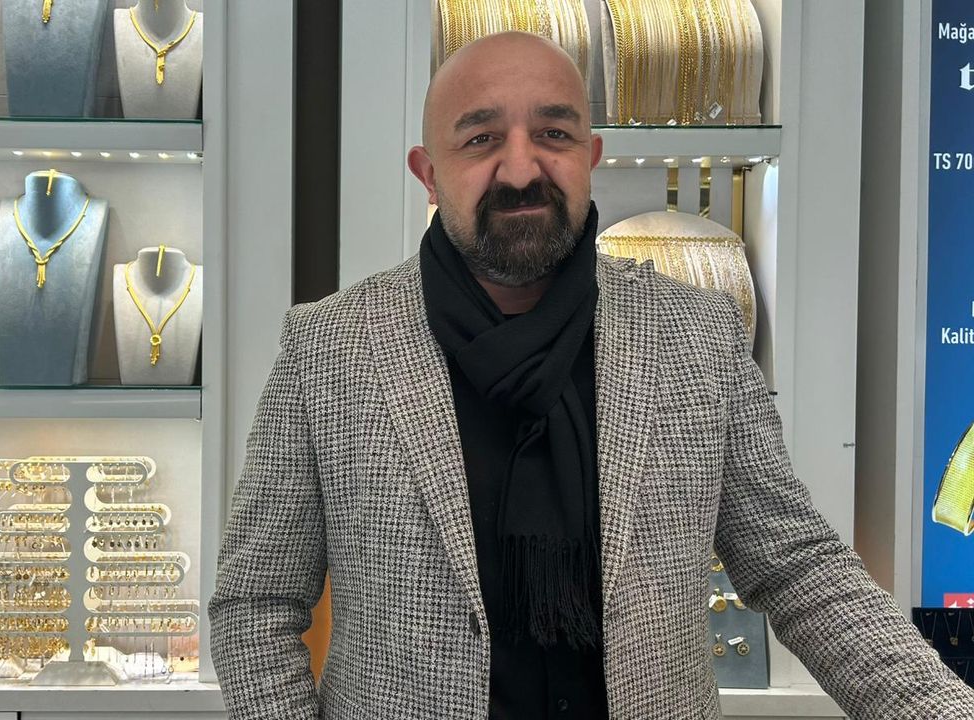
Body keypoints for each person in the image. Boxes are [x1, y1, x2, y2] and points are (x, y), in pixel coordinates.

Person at [208, 31, 974, 719]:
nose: (521, 168)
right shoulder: (329, 349)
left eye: (553, 133)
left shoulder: (698, 336)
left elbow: (799, 568)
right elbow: (255, 604)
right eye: (480, 139)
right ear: (428, 172)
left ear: (590, 156)